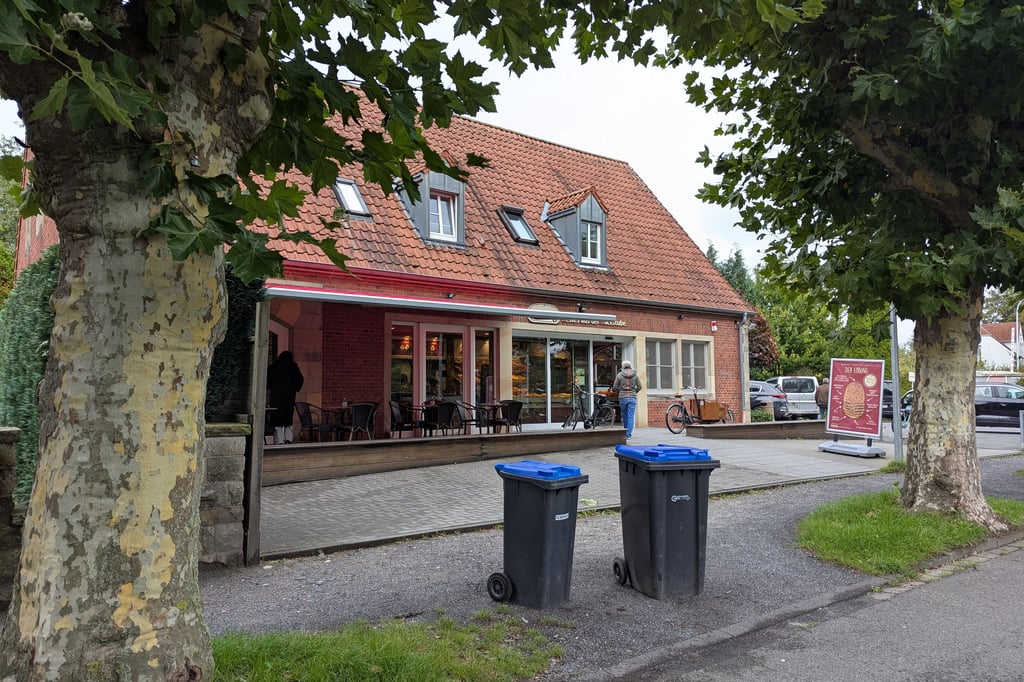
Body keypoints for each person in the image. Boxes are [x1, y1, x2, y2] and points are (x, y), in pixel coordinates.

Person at [267, 350, 304, 444]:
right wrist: (294, 387)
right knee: (288, 419)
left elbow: (267, 381)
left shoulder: (274, 367)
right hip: (289, 397)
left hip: (276, 397)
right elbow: (300, 380)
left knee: (277, 419)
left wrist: (272, 386)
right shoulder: (293, 368)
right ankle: (288, 438)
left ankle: (280, 440)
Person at [612, 360, 643, 439]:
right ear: (630, 366)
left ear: (623, 366)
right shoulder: (635, 375)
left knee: (624, 415)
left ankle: (625, 432)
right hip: (632, 398)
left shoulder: (619, 375)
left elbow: (615, 387)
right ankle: (628, 435)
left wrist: (620, 391)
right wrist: (634, 391)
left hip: (622, 398)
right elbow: (640, 386)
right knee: (630, 416)